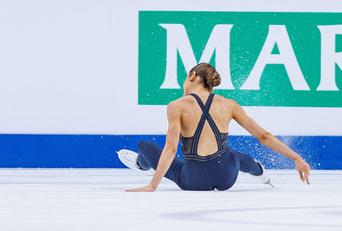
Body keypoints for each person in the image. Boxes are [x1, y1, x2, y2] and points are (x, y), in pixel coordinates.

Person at [118, 63, 311, 192]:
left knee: (144, 145)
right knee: (231, 154)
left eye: (185, 79)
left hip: (192, 180)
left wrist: (153, 185)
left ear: (192, 75)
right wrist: (297, 158)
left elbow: (171, 148)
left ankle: (143, 165)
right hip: (227, 177)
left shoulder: (177, 106)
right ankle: (259, 172)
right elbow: (263, 136)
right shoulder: (229, 104)